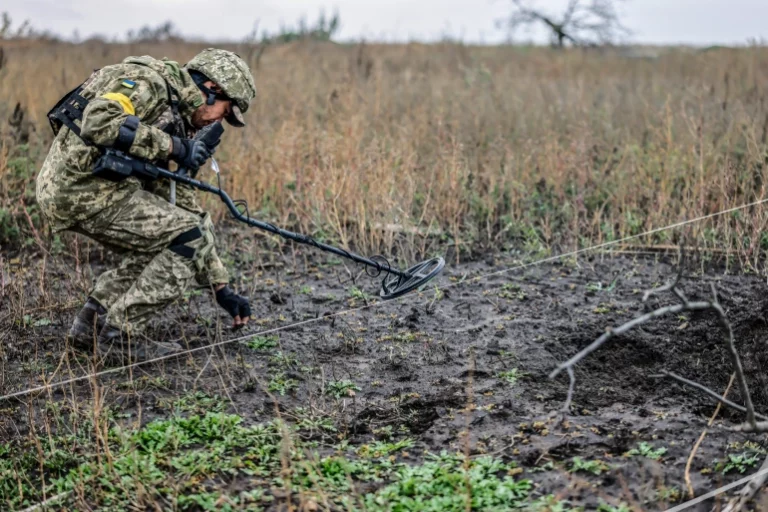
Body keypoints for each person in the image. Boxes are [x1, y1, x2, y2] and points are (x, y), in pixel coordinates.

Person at [36, 48, 256, 362]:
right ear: (211, 90)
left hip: (93, 190)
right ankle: (120, 339)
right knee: (186, 239)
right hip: (81, 188)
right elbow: (98, 120)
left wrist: (221, 287)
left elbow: (186, 209)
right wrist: (175, 147)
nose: (219, 120)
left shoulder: (174, 111)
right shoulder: (149, 82)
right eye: (225, 111)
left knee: (175, 237)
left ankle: (89, 326)